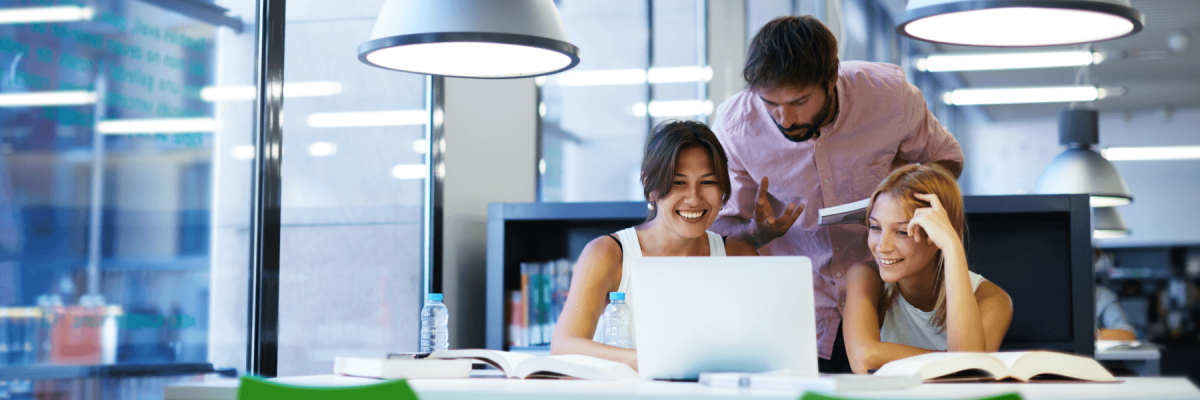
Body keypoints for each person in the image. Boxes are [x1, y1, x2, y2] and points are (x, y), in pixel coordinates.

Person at [709, 16, 965, 372]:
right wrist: (757, 233)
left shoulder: (889, 96)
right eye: (770, 104)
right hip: (796, 310)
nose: (784, 118)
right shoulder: (735, 126)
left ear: (832, 80)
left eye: (799, 101)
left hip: (891, 300)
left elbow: (947, 161)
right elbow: (718, 227)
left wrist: (902, 204)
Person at [550, 120, 758, 370]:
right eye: (678, 182)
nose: (694, 198)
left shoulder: (740, 256)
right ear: (650, 187)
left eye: (707, 182)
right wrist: (647, 360)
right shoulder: (607, 253)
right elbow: (563, 346)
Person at [842, 164, 1012, 373]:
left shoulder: (993, 300)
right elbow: (864, 357)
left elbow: (967, 373)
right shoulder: (864, 276)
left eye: (902, 232)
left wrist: (952, 246)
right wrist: (952, 361)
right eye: (875, 227)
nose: (882, 247)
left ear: (936, 234)